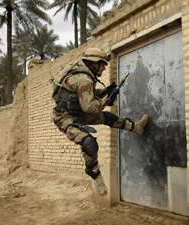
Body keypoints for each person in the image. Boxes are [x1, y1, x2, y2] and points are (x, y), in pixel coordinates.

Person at [51, 47, 148, 196]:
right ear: (93, 63)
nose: (104, 68)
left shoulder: (83, 75)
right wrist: (107, 100)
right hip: (63, 118)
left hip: (77, 112)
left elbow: (85, 95)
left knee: (108, 117)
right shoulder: (85, 79)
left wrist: (106, 91)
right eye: (102, 64)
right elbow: (90, 107)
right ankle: (94, 173)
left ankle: (136, 128)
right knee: (89, 143)